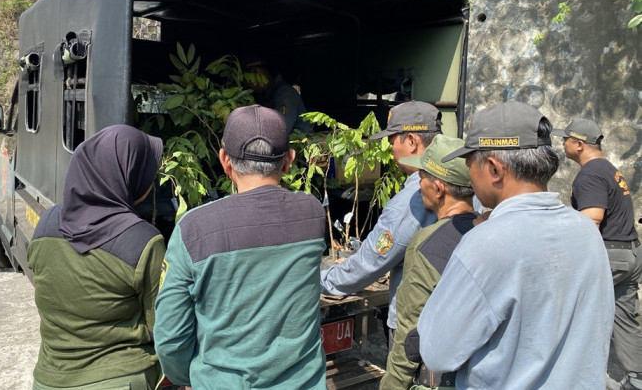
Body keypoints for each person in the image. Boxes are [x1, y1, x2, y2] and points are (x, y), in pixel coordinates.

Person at [417, 101, 615, 389]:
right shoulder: (586, 231)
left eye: (470, 163)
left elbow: (437, 352)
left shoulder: (485, 243)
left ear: (495, 169)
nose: (470, 174)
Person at [154, 104, 327, 389]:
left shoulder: (194, 228)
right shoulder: (311, 214)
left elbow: (171, 336)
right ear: (289, 161)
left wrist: (189, 377)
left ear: (225, 160)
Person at [27, 125, 165, 390]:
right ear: (129, 175)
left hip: (49, 379)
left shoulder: (46, 225)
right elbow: (161, 327)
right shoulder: (143, 241)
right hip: (122, 379)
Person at [320, 101, 440, 348]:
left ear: (411, 141)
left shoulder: (412, 198)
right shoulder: (462, 183)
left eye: (392, 139)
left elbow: (369, 264)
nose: (390, 148)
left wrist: (323, 280)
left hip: (415, 325)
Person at [381, 135, 477, 390]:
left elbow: (411, 334)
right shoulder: (485, 231)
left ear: (438, 188)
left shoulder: (426, 245)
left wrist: (392, 385)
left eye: (422, 177)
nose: (419, 184)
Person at [553, 119, 642, 390]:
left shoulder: (590, 174)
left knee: (567, 307)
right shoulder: (610, 170)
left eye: (566, 139)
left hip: (609, 254)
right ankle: (638, 379)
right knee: (625, 317)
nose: (562, 143)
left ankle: (567, 376)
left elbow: (591, 221)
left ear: (579, 145)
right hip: (630, 254)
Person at [245, 60, 311, 134]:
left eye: (247, 79)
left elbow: (281, 131)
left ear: (255, 72)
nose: (248, 84)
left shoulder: (285, 93)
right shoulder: (265, 95)